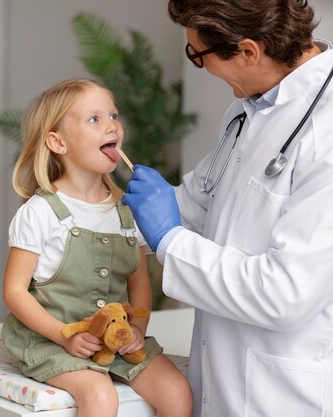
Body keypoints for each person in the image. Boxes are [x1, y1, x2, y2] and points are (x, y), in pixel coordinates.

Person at [122, 1, 333, 416]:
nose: (201, 68)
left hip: (282, 395)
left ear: (249, 51)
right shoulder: (247, 111)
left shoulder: (325, 131)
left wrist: (169, 240)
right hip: (220, 380)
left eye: (198, 57)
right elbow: (197, 202)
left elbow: (285, 294)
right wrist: (81, 229)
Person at [2, 78, 192, 417]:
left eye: (114, 116)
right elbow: (15, 292)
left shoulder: (126, 211)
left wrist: (137, 332)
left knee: (177, 393)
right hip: (53, 341)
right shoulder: (41, 212)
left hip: (115, 340)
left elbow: (139, 282)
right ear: (58, 142)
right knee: (102, 399)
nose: (112, 126)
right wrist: (63, 336)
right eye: (95, 119)